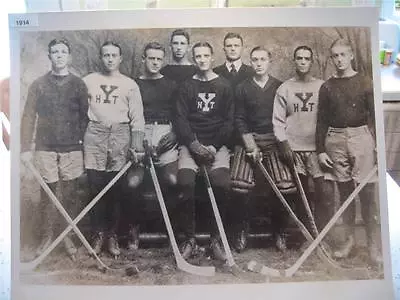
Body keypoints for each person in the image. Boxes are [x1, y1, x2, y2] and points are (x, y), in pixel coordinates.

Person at [20, 38, 89, 259]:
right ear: (49, 56)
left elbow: (85, 118)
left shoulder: (78, 84)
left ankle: (67, 236)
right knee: (47, 194)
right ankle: (47, 237)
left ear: (69, 56)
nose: (59, 55)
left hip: (72, 148)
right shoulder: (38, 85)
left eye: (63, 51)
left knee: (69, 195)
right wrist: (25, 148)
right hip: (45, 147)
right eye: (55, 52)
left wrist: (79, 141)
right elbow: (28, 116)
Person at [316, 38, 381, 265]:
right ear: (331, 58)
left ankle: (372, 245)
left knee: (366, 192)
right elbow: (321, 121)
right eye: (335, 55)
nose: (339, 60)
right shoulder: (327, 86)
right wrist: (320, 150)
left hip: (361, 137)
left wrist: (377, 144)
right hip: (334, 139)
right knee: (344, 193)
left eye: (343, 55)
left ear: (351, 55)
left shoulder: (365, 82)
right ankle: (350, 241)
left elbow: (376, 117)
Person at [83, 41, 145, 258]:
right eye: (106, 55)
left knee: (116, 188)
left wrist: (136, 145)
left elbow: (137, 118)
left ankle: (112, 235)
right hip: (95, 134)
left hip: (120, 134)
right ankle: (97, 234)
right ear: (100, 57)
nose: (110, 59)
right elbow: (79, 110)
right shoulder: (89, 81)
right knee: (95, 186)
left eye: (114, 55)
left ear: (120, 59)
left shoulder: (129, 85)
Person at [174, 41, 234, 261]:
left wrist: (213, 146)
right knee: (185, 184)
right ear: (194, 57)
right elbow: (180, 119)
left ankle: (215, 239)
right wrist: (193, 145)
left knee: (221, 184)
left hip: (216, 146)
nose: (201, 60)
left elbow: (229, 121)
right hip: (191, 146)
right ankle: (188, 239)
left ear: (212, 57)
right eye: (197, 56)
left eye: (205, 55)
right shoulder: (186, 86)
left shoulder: (225, 86)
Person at [235, 46, 295, 252]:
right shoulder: (242, 87)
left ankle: (280, 232)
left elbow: (287, 119)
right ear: (250, 62)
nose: (258, 63)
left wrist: (282, 142)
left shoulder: (280, 86)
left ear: (270, 61)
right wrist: (250, 146)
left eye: (262, 59)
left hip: (274, 141)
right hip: (249, 140)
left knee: (284, 185)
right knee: (239, 185)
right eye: (254, 60)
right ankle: (242, 231)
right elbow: (239, 119)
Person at [272, 45, 335, 239]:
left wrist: (325, 146)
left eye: (306, 58)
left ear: (311, 62)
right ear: (294, 61)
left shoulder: (322, 86)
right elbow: (278, 120)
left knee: (324, 193)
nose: (302, 62)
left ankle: (323, 237)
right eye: (299, 58)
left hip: (317, 149)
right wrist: (284, 144)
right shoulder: (285, 88)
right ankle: (305, 236)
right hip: (294, 149)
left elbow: (331, 118)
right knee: (301, 194)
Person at [125, 42, 178, 251]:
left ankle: (170, 231)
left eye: (158, 59)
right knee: (133, 183)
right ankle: (133, 230)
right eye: (151, 58)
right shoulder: (133, 84)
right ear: (143, 60)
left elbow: (179, 115)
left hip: (166, 132)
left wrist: (173, 135)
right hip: (140, 133)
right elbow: (130, 117)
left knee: (173, 180)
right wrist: (139, 141)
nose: (155, 62)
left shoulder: (172, 85)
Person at [214, 32, 254, 252]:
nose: (232, 49)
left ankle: (240, 230)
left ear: (242, 47)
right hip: (220, 137)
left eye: (236, 45)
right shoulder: (215, 73)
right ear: (223, 48)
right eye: (228, 45)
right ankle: (220, 234)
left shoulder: (251, 72)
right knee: (221, 185)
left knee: (241, 185)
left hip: (243, 138)